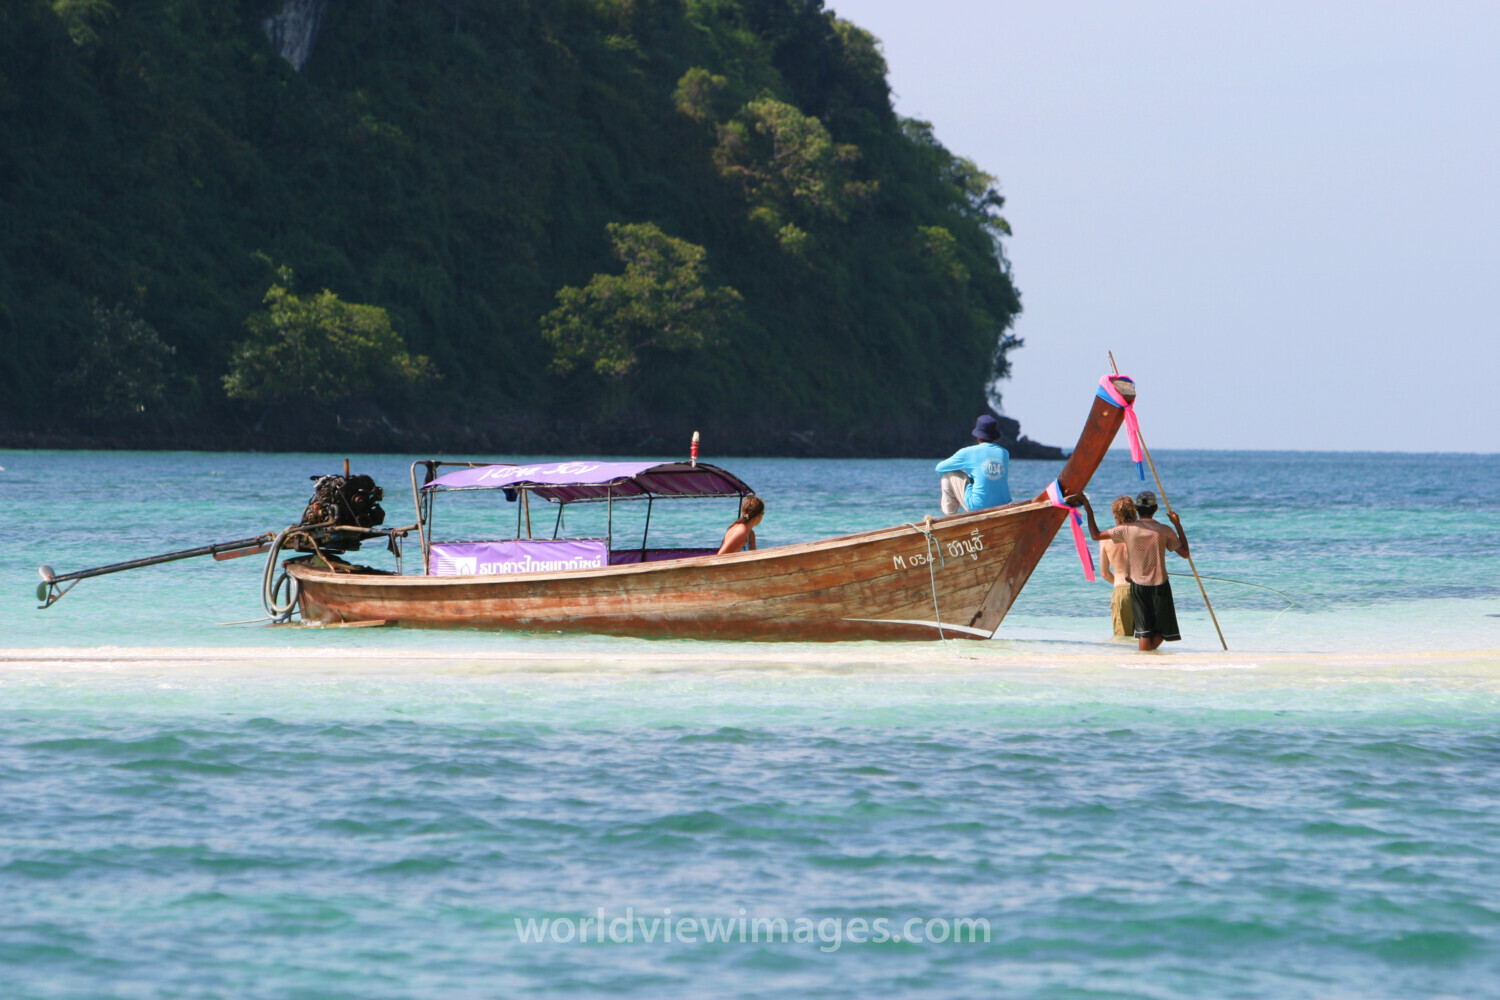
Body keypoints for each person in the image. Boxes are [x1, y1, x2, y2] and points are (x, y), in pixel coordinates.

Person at [1068, 489, 1190, 651]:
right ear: (1155, 509)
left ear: (1137, 509)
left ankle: (1140, 662)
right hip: (1159, 585)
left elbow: (1096, 535)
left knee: (1139, 635)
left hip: (1137, 587)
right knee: (1163, 629)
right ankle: (1145, 659)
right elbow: (1185, 554)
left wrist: (1089, 509)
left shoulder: (1127, 530)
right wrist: (1177, 525)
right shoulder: (1164, 530)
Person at [935, 414, 1012, 514]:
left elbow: (939, 468)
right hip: (1003, 505)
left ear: (978, 436)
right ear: (994, 435)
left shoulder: (968, 452)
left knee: (947, 475)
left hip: (978, 506)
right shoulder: (1004, 453)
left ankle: (949, 518)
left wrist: (965, 476)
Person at [1098, 495, 1138, 639]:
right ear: (1134, 512)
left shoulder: (1105, 538)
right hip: (1142, 589)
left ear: (1116, 515)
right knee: (1146, 640)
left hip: (1121, 588)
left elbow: (1104, 573)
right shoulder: (1141, 534)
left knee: (1123, 639)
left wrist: (1118, 583)